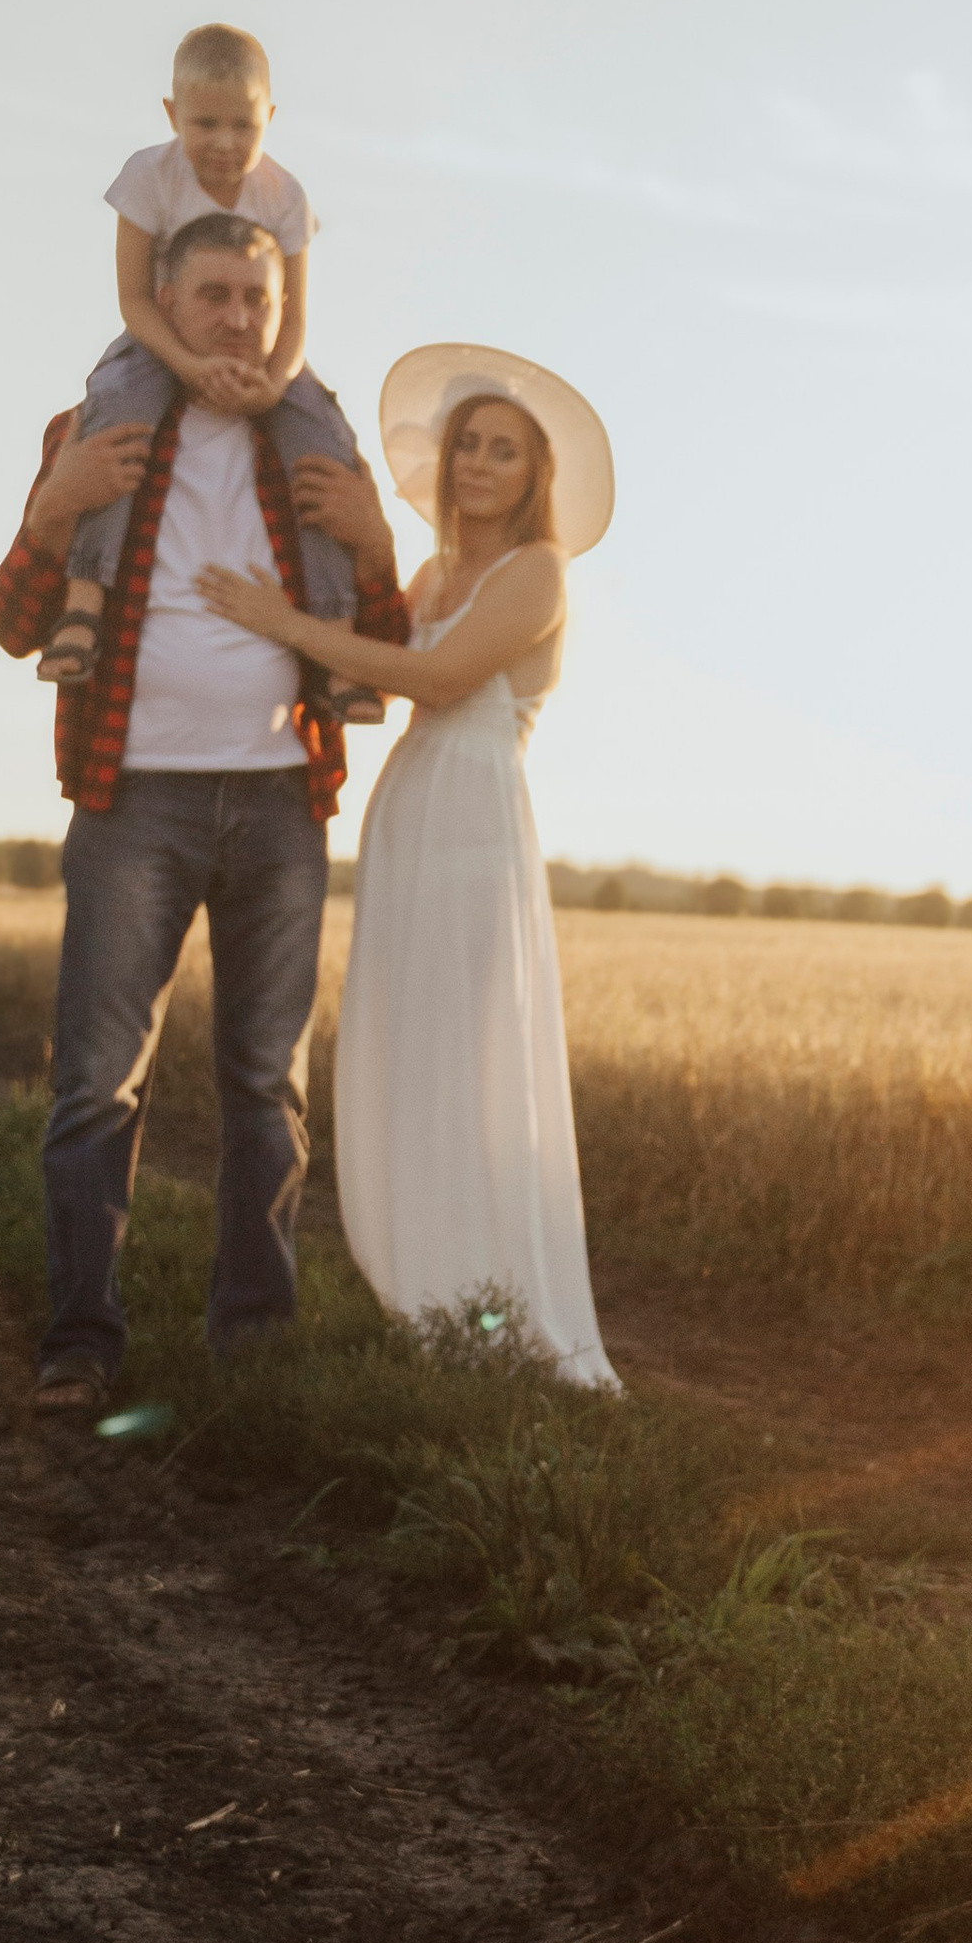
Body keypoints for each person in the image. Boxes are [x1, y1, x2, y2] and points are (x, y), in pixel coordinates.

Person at [0, 209, 413, 1412]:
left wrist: (377, 543)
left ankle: (255, 1349)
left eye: (256, 301)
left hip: (284, 801)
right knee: (97, 1082)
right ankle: (79, 1342)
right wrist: (51, 508)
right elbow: (17, 622)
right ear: (163, 303)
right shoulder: (100, 430)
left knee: (264, 1083)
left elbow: (379, 649)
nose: (236, 319)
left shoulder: (312, 447)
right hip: (134, 800)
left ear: (284, 315)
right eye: (213, 295)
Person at [202, 343, 620, 1390]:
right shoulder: (434, 571)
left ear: (534, 476)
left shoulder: (539, 571)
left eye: (504, 452)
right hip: (409, 812)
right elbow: (379, 685)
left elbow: (434, 677)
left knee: (470, 1060)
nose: (479, 464)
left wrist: (283, 620)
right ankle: (432, 1301)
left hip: (476, 820)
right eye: (468, 444)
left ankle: (495, 1310)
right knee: (411, 1049)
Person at [39, 21, 379, 724]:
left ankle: (338, 639)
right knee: (113, 417)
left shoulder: (285, 197)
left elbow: (294, 314)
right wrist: (189, 363)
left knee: (323, 442)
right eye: (204, 123)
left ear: (270, 120)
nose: (224, 143)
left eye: (243, 125)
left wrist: (278, 384)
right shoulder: (147, 178)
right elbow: (135, 298)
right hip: (159, 340)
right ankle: (85, 601)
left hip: (266, 358)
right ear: (172, 116)